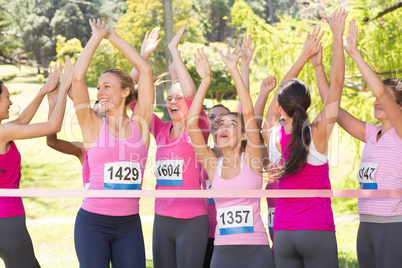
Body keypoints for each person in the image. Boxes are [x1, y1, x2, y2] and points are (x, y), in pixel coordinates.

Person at [312, 18, 402, 268]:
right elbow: (334, 110)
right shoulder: (372, 133)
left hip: (393, 223)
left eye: (384, 99)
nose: (376, 100)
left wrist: (353, 52)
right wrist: (319, 67)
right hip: (366, 223)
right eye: (375, 97)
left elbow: (381, 93)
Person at [262, 7, 346, 268]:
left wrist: (303, 57)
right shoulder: (318, 133)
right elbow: (337, 84)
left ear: (279, 107)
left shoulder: (272, 133)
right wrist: (337, 36)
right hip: (317, 231)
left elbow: (276, 101)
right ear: (308, 105)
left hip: (284, 233)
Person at [72, 19, 154, 268]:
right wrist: (96, 37)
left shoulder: (140, 125)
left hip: (129, 224)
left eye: (107, 86)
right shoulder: (92, 125)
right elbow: (77, 78)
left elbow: (146, 71)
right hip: (92, 223)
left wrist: (113, 35)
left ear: (126, 92)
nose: (100, 93)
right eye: (98, 88)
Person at [188, 46, 274, 268]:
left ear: (245, 135)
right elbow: (191, 125)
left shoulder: (252, 160)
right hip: (223, 252)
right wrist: (205, 81)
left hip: (256, 250)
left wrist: (233, 69)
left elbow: (248, 113)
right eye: (220, 124)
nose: (223, 127)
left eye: (231, 124)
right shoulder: (212, 164)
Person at [0, 59, 72, 268]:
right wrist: (64, 88)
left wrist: (43, 92)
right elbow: (53, 126)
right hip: (7, 219)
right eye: (7, 97)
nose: (11, 102)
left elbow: (22, 121)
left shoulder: (4, 131)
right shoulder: (3, 132)